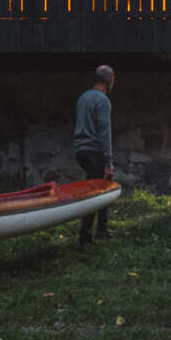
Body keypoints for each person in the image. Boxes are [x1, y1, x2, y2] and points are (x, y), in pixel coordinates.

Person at [72, 64, 116, 246]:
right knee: (95, 191)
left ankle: (102, 229)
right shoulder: (103, 100)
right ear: (108, 80)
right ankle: (85, 237)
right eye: (113, 79)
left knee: (103, 186)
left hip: (81, 151)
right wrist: (108, 161)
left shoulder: (83, 98)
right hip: (94, 151)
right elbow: (104, 132)